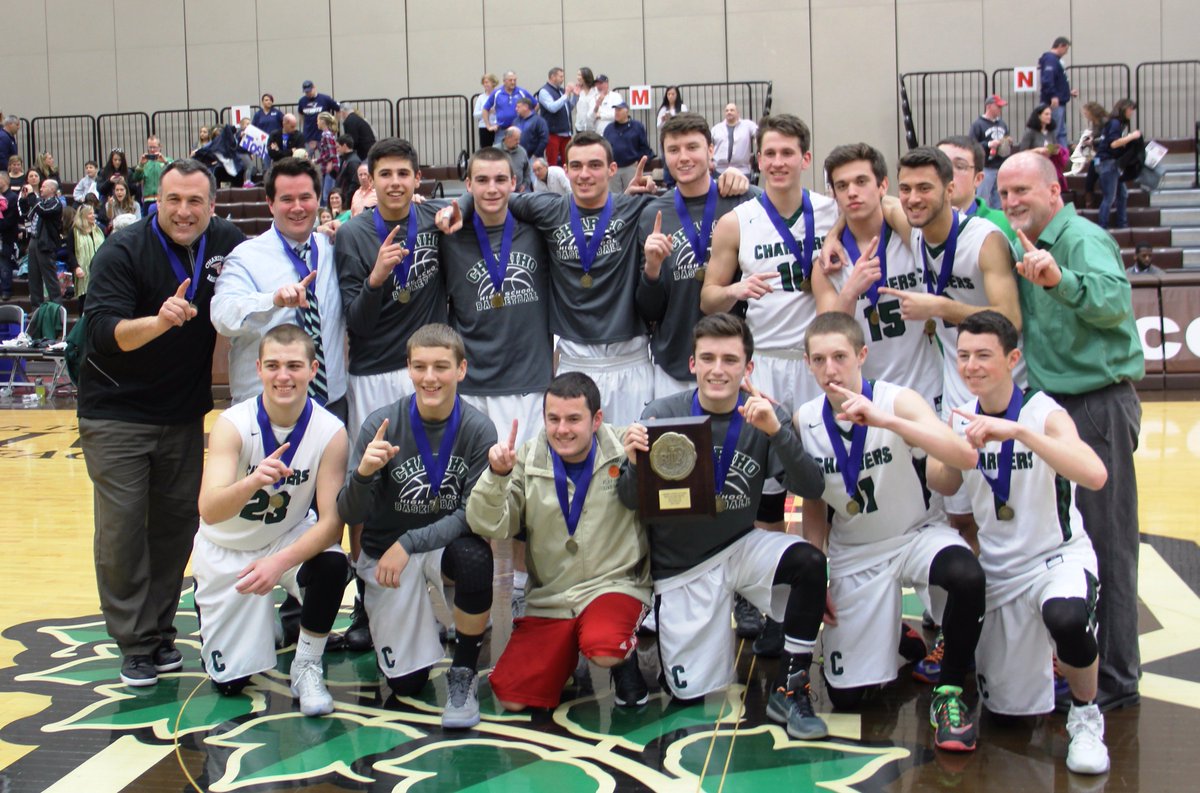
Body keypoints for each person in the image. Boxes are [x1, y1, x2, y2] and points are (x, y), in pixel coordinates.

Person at [618, 314, 829, 737]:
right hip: (683, 568)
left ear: (748, 367)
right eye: (708, 358)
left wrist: (777, 432)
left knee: (808, 563)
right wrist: (634, 465)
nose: (718, 369)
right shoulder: (662, 414)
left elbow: (811, 485)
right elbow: (628, 501)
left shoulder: (765, 414)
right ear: (692, 364)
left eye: (730, 360)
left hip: (740, 544)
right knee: (686, 697)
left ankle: (791, 687)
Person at [78, 159, 245, 686]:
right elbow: (104, 331)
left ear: (212, 206)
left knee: (175, 530)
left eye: (195, 201)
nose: (184, 211)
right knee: (125, 530)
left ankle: (159, 632)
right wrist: (158, 321)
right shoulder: (122, 251)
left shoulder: (225, 240)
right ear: (157, 202)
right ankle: (134, 643)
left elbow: (267, 265)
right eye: (173, 200)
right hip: (116, 411)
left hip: (182, 413)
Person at [440, 131, 736, 426]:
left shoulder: (636, 207)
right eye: (576, 166)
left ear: (611, 170)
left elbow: (691, 195)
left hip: (630, 360)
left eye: (595, 165)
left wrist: (730, 175)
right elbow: (493, 194)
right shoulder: (546, 208)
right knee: (575, 460)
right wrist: (461, 207)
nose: (585, 174)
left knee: (632, 461)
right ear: (564, 170)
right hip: (573, 361)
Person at [927, 310, 1111, 774]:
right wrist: (945, 445)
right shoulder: (963, 417)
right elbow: (945, 484)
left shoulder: (1042, 412)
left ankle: (1087, 715)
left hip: (1057, 557)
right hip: (1001, 573)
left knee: (1066, 617)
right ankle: (1043, 663)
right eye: (964, 355)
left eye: (983, 355)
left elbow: (1094, 473)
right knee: (1010, 717)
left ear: (1013, 358)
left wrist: (1020, 432)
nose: (971, 366)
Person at [794, 311, 984, 752]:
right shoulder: (805, 419)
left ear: (862, 355)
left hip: (914, 534)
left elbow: (961, 453)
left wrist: (886, 422)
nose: (830, 369)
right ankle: (899, 638)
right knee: (846, 697)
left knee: (967, 574)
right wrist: (817, 567)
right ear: (807, 363)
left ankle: (950, 694)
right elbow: (814, 500)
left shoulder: (899, 400)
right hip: (855, 551)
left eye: (840, 356)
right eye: (819, 359)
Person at [997, 150, 1144, 712]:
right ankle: (1084, 665)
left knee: (1108, 542)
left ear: (1054, 192)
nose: (1012, 203)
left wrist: (1060, 280)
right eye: (1005, 194)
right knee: (1068, 540)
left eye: (1022, 193)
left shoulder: (1079, 239)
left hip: (1097, 405)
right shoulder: (1019, 242)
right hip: (1059, 405)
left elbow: (1114, 303)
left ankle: (1114, 681)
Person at [338, 323, 497, 728]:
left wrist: (410, 542)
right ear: (407, 368)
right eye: (421, 367)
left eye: (442, 366)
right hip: (386, 550)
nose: (430, 378)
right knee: (407, 685)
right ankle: (402, 622)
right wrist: (363, 474)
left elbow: (471, 515)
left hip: (433, 544)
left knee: (477, 558)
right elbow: (349, 514)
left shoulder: (478, 429)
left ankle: (463, 671)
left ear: (461, 370)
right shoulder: (381, 425)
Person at [466, 371, 650, 710]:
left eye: (573, 419)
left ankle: (625, 662)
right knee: (512, 698)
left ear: (596, 419)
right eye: (553, 419)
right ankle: (564, 655)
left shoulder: (627, 447)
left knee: (605, 648)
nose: (562, 429)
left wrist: (641, 462)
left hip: (614, 586)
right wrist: (497, 477)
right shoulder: (524, 459)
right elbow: (489, 523)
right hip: (553, 597)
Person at [194, 324, 350, 714]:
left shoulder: (331, 431)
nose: (284, 376)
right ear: (259, 368)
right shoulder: (232, 424)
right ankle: (247, 624)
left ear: (313, 370)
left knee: (333, 563)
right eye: (275, 366)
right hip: (226, 548)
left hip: (283, 539)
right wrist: (251, 482)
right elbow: (209, 509)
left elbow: (332, 524)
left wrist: (278, 563)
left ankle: (307, 664)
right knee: (230, 684)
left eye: (295, 366)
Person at [701, 114, 838, 412]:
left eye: (788, 153)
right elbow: (708, 300)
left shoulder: (833, 213)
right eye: (770, 154)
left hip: (820, 356)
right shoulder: (735, 222)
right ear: (758, 160)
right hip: (764, 358)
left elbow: (884, 207)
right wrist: (734, 291)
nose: (778, 163)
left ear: (805, 159)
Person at [212, 156, 347, 418]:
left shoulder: (334, 248)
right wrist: (271, 301)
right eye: (286, 199)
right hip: (264, 408)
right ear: (270, 204)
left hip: (330, 406)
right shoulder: (245, 257)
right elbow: (222, 316)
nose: (297, 207)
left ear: (318, 200)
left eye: (305, 198)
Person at [638, 112, 759, 398]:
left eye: (692, 147)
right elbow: (650, 311)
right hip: (675, 362)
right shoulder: (652, 215)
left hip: (735, 358)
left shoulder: (744, 201)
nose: (683, 157)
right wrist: (652, 271)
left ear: (710, 149)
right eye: (673, 150)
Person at [812, 143, 943, 407]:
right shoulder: (827, 263)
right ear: (833, 194)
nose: (852, 192)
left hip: (926, 389)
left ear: (883, 186)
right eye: (842, 186)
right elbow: (826, 336)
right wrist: (850, 291)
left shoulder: (908, 236)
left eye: (861, 181)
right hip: (866, 397)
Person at [439, 146, 552, 448]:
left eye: (501, 179)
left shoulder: (537, 229)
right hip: (471, 383)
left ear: (514, 183)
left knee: (525, 483)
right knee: (478, 488)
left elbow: (560, 201)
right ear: (468, 185)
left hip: (528, 382)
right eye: (482, 180)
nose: (492, 189)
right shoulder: (449, 233)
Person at [936, 136, 1016, 242]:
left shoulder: (1006, 223)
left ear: (978, 179)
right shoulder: (918, 223)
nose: (948, 172)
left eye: (959, 166)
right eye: (940, 165)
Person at [1094, 99, 1141, 230]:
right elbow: (1113, 144)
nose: (1131, 112)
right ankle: (1103, 227)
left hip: (1106, 162)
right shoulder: (1115, 124)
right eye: (1130, 109)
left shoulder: (1114, 123)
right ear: (1124, 109)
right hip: (1108, 163)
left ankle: (1122, 223)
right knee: (1109, 197)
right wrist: (1132, 137)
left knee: (1122, 194)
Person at [23, 176, 63, 309]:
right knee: (33, 276)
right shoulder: (40, 202)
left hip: (45, 243)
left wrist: (32, 196)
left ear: (52, 189)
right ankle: (36, 308)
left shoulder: (56, 203)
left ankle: (56, 307)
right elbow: (26, 214)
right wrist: (25, 198)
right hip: (34, 240)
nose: (40, 188)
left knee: (49, 277)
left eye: (44, 186)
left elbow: (43, 212)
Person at [970, 95, 1013, 210]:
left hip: (1000, 165)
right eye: (998, 106)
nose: (1000, 109)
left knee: (998, 198)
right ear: (988, 106)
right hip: (986, 166)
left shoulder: (1002, 123)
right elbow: (972, 144)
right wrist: (988, 144)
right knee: (983, 196)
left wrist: (1007, 141)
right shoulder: (978, 124)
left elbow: (1006, 136)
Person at [603, 103, 655, 193]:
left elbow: (643, 145)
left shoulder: (637, 127)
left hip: (630, 166)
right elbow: (604, 147)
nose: (616, 113)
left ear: (626, 111)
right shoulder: (609, 128)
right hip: (613, 168)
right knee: (615, 196)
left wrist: (639, 162)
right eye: (615, 110)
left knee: (633, 194)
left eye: (619, 110)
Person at [1017, 105, 1069, 190]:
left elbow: (1054, 146)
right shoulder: (1030, 132)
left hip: (1048, 165)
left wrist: (1054, 149)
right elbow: (1023, 151)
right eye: (1046, 114)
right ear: (1039, 116)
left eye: (1050, 114)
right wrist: (1037, 150)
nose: (1049, 117)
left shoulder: (1051, 132)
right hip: (1033, 167)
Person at [1039, 36, 1078, 148]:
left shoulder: (1052, 60)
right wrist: (1053, 95)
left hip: (1058, 100)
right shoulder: (1051, 60)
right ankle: (1054, 158)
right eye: (1066, 49)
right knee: (1055, 131)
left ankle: (1062, 158)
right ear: (1061, 46)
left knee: (1060, 131)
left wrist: (1066, 92)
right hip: (1054, 103)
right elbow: (1047, 79)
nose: (1066, 53)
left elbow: (1053, 80)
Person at [537, 67, 577, 167]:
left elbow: (569, 107)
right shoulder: (544, 91)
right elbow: (552, 108)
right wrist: (567, 94)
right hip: (553, 133)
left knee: (567, 162)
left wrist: (576, 95)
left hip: (566, 133)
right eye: (560, 76)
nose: (563, 79)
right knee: (553, 163)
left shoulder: (561, 91)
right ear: (552, 77)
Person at [70, 203, 105, 312]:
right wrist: (76, 267)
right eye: (90, 214)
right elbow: (70, 252)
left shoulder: (98, 230)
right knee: (84, 299)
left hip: (98, 269)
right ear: (84, 216)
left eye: (93, 213)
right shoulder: (74, 231)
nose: (93, 215)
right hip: (83, 270)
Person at [711, 104, 758, 179]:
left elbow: (758, 134)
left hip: (742, 171)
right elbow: (707, 145)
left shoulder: (747, 125)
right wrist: (709, 162)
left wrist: (758, 140)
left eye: (732, 110)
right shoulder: (716, 128)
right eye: (727, 110)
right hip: (719, 170)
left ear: (738, 113)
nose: (729, 112)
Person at [131, 136, 172, 210]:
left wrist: (165, 162)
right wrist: (140, 165)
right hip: (148, 200)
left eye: (155, 147)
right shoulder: (145, 162)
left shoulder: (167, 160)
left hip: (163, 198)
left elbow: (175, 171)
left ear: (160, 147)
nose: (152, 150)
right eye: (150, 147)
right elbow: (136, 178)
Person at [298, 80, 339, 151]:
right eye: (306, 92)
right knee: (306, 158)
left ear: (314, 88)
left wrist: (334, 125)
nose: (308, 94)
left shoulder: (325, 99)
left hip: (323, 135)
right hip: (308, 136)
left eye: (309, 91)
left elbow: (338, 109)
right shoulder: (302, 101)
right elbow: (301, 114)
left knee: (328, 156)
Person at [495, 127, 533, 192]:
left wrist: (524, 185)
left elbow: (527, 171)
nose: (518, 142)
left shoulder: (522, 151)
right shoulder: (495, 151)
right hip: (499, 191)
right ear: (507, 138)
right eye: (516, 139)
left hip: (518, 192)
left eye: (519, 139)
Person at [0, 171, 18, 301]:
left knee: (5, 262)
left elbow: (11, 219)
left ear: (5, 180)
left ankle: (6, 290)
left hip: (6, 235)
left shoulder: (12, 197)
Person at [314, 112, 339, 205]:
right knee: (325, 193)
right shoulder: (329, 134)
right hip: (327, 167)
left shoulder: (326, 135)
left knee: (326, 194)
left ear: (323, 121)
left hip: (329, 168)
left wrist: (317, 160)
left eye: (318, 120)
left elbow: (330, 152)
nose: (317, 123)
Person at [475, 73, 500, 149]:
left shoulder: (499, 95)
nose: (485, 84)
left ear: (493, 83)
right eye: (484, 83)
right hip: (484, 127)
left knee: (499, 149)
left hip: (497, 126)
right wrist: (487, 111)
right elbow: (475, 115)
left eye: (487, 82)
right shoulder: (481, 97)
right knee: (486, 150)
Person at [335, 135, 360, 208]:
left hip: (347, 200)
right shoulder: (346, 159)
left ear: (345, 146)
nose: (337, 150)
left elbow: (355, 183)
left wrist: (347, 201)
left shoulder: (353, 162)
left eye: (338, 147)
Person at [573, 68, 599, 134]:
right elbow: (572, 105)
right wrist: (575, 95)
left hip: (593, 127)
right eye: (577, 75)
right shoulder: (577, 90)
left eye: (579, 75)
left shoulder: (595, 90)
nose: (577, 77)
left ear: (586, 76)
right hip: (580, 126)